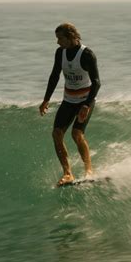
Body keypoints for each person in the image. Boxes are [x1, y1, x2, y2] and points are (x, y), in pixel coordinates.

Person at [39, 23, 101, 186]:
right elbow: (54, 76)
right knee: (57, 133)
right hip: (69, 99)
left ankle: (89, 170)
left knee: (76, 134)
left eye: (60, 38)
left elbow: (96, 83)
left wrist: (86, 105)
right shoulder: (60, 53)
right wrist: (46, 99)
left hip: (85, 100)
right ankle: (68, 173)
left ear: (71, 37)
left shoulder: (87, 54)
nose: (57, 42)